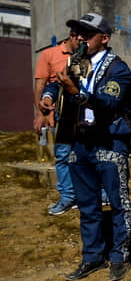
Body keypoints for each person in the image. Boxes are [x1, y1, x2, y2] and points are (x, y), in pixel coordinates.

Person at [39, 13, 131, 281]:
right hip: (78, 141)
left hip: (108, 143)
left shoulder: (117, 68)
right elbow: (53, 83)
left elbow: (109, 103)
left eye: (87, 33)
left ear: (104, 39)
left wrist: (76, 92)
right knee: (87, 205)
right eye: (77, 32)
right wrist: (49, 96)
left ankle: (119, 257)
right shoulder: (74, 63)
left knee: (118, 203)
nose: (79, 37)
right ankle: (92, 257)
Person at [34, 29, 80, 215]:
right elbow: (41, 85)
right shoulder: (49, 54)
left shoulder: (86, 56)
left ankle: (96, 194)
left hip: (83, 116)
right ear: (72, 36)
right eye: (81, 39)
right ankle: (68, 197)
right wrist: (39, 114)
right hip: (61, 117)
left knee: (89, 155)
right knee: (62, 155)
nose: (84, 42)